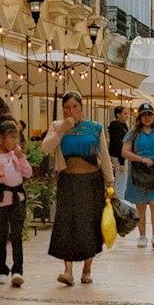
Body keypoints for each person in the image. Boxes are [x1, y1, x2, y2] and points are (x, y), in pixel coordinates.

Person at [42, 93, 113, 285]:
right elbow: (45, 148)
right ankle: (68, 271)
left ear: (81, 107)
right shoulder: (57, 126)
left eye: (74, 107)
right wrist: (63, 129)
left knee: (89, 224)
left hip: (92, 182)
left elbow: (104, 156)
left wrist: (110, 182)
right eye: (67, 107)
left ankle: (87, 269)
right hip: (68, 181)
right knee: (67, 224)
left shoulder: (95, 127)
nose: (71, 111)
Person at [0, 117, 32, 285]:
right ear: (0, 139)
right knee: (2, 236)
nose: (14, 141)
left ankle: (18, 270)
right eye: (11, 137)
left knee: (16, 235)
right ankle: (2, 269)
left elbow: (28, 173)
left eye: (16, 137)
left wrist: (21, 157)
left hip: (17, 199)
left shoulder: (16, 156)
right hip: (0, 200)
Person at [122, 104, 154, 249]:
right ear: (140, 117)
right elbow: (125, 152)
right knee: (141, 205)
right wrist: (141, 159)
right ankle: (142, 235)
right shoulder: (132, 133)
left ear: (153, 116)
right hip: (139, 172)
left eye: (149, 114)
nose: (147, 117)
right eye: (144, 115)